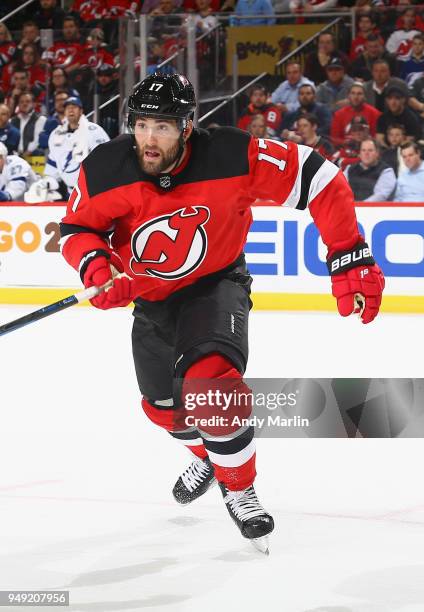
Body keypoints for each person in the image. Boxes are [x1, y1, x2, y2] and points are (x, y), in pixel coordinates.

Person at [59, 72, 385, 552]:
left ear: (187, 127)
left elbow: (321, 177)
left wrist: (348, 250)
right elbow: (76, 229)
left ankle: (240, 488)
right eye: (143, 125)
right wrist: (95, 265)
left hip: (216, 285)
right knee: (162, 409)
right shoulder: (105, 167)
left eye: (164, 127)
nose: (150, 139)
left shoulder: (233, 154)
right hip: (152, 299)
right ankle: (211, 457)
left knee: (211, 388)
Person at [45, 96, 109, 195]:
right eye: (67, 107)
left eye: (74, 107)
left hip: (93, 191)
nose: (70, 110)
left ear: (81, 111)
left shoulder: (94, 131)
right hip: (70, 192)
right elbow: (53, 162)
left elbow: (106, 159)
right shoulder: (56, 134)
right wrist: (47, 181)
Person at [330, 82, 381, 147]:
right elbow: (334, 139)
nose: (356, 97)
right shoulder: (338, 115)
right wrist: (346, 142)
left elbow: (377, 138)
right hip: (345, 150)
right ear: (348, 96)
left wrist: (366, 140)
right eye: (353, 93)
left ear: (365, 96)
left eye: (359, 94)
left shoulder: (375, 114)